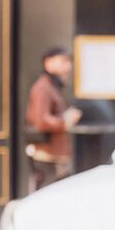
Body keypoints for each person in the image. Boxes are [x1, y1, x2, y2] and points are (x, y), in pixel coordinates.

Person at [25, 46, 82, 190]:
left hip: (55, 155)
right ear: (48, 63)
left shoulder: (51, 86)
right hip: (47, 157)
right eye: (63, 61)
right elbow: (41, 121)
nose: (68, 66)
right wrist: (66, 120)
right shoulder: (43, 88)